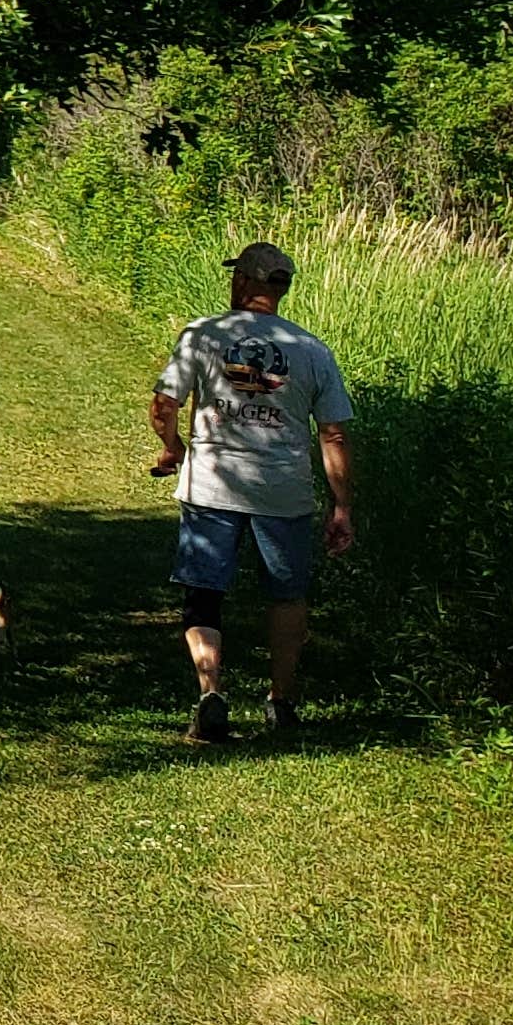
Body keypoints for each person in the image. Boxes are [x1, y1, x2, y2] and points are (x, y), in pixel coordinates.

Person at [149, 239, 355, 744]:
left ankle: (210, 693)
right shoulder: (312, 350)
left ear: (242, 281)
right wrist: (342, 505)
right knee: (287, 596)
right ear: (280, 289)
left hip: (212, 483)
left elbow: (163, 404)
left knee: (205, 592)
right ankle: (281, 701)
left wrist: (174, 447)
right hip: (283, 491)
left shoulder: (203, 334)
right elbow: (334, 433)